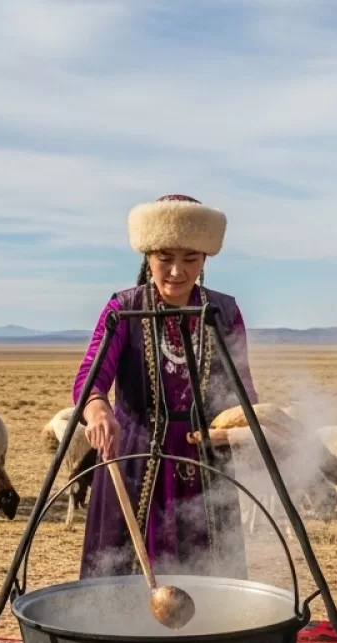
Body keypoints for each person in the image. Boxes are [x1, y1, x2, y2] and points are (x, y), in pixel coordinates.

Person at [74, 193, 257, 579]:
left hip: (206, 461)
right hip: (134, 457)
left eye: (190, 258)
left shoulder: (224, 313)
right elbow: (90, 380)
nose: (177, 271)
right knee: (123, 577)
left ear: (205, 259)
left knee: (210, 574)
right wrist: (98, 410)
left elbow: (243, 391)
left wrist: (243, 428)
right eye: (165, 259)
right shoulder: (123, 309)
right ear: (147, 258)